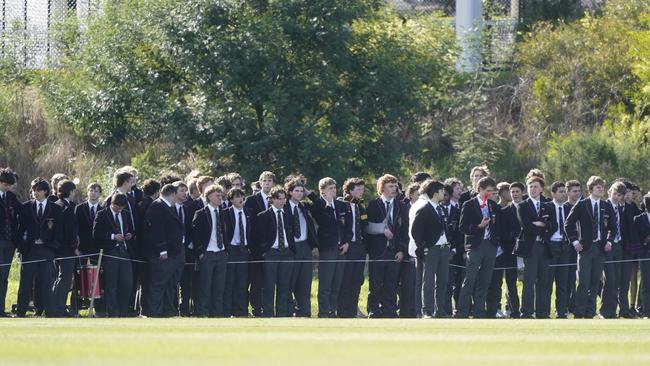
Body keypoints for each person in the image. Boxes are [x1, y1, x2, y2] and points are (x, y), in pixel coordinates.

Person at [565, 176, 616, 318]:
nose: (601, 189)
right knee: (583, 282)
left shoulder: (606, 205)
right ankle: (579, 312)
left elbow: (613, 227)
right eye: (598, 186)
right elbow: (568, 224)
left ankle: (590, 312)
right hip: (585, 249)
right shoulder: (582, 204)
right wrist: (575, 242)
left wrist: (609, 242)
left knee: (595, 282)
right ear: (591, 189)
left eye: (602, 187)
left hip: (600, 249)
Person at [16, 178, 64, 317]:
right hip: (29, 250)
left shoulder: (55, 208)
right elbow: (20, 230)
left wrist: (53, 247)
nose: (35, 192)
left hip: (46, 250)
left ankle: (50, 312)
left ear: (45, 191)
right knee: (25, 283)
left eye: (38, 190)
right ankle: (20, 312)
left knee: (46, 282)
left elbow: (59, 231)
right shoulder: (25, 207)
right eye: (33, 190)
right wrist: (21, 248)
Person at [455, 176, 500, 318]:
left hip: (490, 246)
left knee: (485, 281)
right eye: (487, 191)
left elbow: (498, 226)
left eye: (492, 191)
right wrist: (478, 226)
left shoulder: (493, 205)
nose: (490, 194)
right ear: (479, 189)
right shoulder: (469, 204)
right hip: (475, 246)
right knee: (470, 280)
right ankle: (462, 311)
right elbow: (462, 227)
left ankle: (480, 312)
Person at [308, 177, 351, 318]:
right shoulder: (318, 206)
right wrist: (313, 196)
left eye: (334, 188)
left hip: (341, 248)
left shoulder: (341, 205)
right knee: (326, 282)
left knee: (337, 282)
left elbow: (347, 227)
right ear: (323, 191)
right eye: (330, 188)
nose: (333, 191)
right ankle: (324, 312)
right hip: (327, 248)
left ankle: (333, 310)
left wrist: (347, 242)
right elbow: (317, 209)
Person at [365, 174, 408, 318]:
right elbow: (367, 227)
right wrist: (382, 231)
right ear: (382, 188)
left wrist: (402, 250)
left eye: (395, 186)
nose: (394, 189)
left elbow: (404, 231)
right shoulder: (373, 205)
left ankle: (389, 310)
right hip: (377, 250)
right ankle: (373, 309)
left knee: (392, 284)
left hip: (394, 251)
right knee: (375, 284)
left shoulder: (401, 206)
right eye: (390, 186)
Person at [411, 179, 449, 318]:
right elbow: (416, 232)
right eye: (441, 191)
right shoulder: (424, 209)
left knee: (443, 281)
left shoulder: (441, 208)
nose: (443, 193)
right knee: (428, 281)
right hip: (431, 249)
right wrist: (423, 247)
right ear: (435, 193)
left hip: (444, 249)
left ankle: (440, 310)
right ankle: (427, 310)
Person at [93, 193, 135, 317]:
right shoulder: (102, 214)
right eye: (118, 208)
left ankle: (123, 311)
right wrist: (113, 237)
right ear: (112, 204)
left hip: (125, 252)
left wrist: (129, 235)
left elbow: (131, 229)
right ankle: (113, 312)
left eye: (122, 208)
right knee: (111, 284)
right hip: (110, 252)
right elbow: (96, 233)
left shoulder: (126, 214)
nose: (120, 210)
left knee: (127, 282)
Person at [145, 184, 184, 317]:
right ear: (172, 194)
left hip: (173, 253)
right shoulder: (157, 206)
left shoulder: (168, 206)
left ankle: (168, 310)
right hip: (163, 254)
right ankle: (154, 311)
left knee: (170, 284)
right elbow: (157, 230)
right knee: (159, 284)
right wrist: (162, 250)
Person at [256, 186, 295, 317]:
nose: (282, 201)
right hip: (271, 253)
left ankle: (281, 314)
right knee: (269, 285)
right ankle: (268, 313)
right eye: (279, 199)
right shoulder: (263, 215)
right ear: (272, 199)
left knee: (284, 285)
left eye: (284, 198)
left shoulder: (288, 214)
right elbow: (259, 237)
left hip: (286, 253)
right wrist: (265, 251)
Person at [192, 184, 229, 317]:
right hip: (207, 254)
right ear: (209, 196)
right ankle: (202, 313)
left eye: (221, 195)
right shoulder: (201, 213)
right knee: (205, 287)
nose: (220, 198)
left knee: (219, 287)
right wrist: (200, 253)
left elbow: (226, 233)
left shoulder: (224, 213)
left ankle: (217, 313)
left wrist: (226, 251)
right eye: (217, 195)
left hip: (221, 254)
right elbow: (196, 236)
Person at [284, 178, 318, 317]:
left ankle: (304, 311)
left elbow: (321, 205)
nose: (299, 193)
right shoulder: (284, 206)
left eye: (301, 191)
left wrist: (310, 193)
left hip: (305, 246)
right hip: (291, 247)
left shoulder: (304, 206)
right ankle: (288, 310)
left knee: (305, 282)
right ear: (290, 192)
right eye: (296, 191)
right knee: (290, 281)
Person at [517, 176, 550, 319]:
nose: (533, 189)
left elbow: (553, 225)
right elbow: (527, 227)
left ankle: (542, 312)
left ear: (541, 189)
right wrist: (542, 226)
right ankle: (527, 311)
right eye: (530, 187)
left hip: (545, 246)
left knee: (544, 280)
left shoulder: (548, 204)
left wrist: (542, 225)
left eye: (536, 186)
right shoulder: (522, 205)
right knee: (529, 281)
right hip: (530, 247)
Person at [244, 171, 276, 317]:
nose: (267, 183)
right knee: (256, 280)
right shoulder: (251, 200)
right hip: (256, 247)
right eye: (264, 180)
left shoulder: (278, 199)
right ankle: (256, 309)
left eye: (269, 180)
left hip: (273, 246)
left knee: (270, 281)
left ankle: (268, 308)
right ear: (260, 182)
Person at [338, 178, 367, 318]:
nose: (362, 192)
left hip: (359, 246)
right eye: (359, 189)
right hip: (347, 247)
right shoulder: (342, 204)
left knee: (357, 280)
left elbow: (364, 225)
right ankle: (343, 311)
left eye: (362, 189)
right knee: (346, 279)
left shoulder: (360, 206)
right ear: (350, 191)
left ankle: (353, 311)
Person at [543, 181, 571, 318]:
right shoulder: (546, 207)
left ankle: (561, 311)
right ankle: (545, 311)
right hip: (550, 246)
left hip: (564, 246)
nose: (564, 194)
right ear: (553, 193)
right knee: (548, 282)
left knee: (563, 282)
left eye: (564, 191)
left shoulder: (567, 208)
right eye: (560, 191)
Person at [223, 188, 252, 317]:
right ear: (231, 200)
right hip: (231, 250)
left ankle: (241, 311)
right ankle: (227, 311)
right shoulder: (225, 213)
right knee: (229, 282)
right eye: (237, 197)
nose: (241, 199)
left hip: (244, 250)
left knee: (242, 282)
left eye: (242, 196)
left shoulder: (248, 212)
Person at [52, 179, 79, 317]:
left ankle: (56, 307)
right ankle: (58, 308)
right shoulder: (67, 208)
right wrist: (75, 248)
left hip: (56, 249)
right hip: (66, 250)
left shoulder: (56, 205)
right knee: (65, 279)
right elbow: (69, 232)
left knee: (60, 278)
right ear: (71, 191)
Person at [600, 181, 627, 319]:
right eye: (615, 193)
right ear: (610, 191)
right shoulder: (604, 206)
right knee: (609, 279)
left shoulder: (621, 209)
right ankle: (605, 311)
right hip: (607, 246)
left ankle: (612, 311)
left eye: (620, 195)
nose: (616, 197)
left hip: (618, 246)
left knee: (616, 280)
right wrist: (608, 242)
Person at [0, 168, 20, 317]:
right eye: (6, 185)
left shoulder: (11, 197)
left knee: (4, 276)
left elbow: (22, 213)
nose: (8, 188)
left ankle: (1, 309)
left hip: (9, 242)